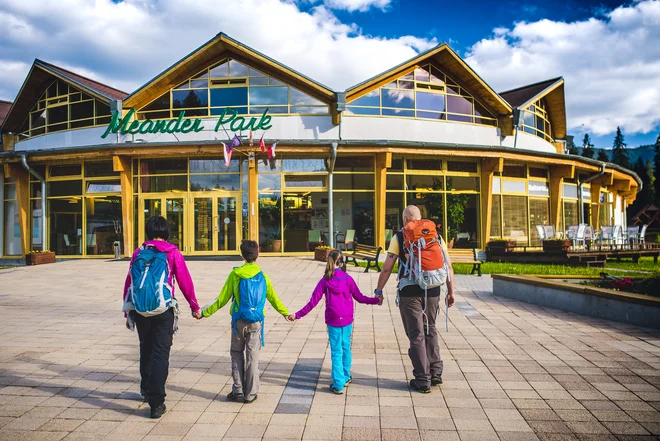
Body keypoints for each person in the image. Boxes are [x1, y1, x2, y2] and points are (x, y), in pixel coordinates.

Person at [122, 215, 201, 419]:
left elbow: (129, 282)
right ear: (166, 232)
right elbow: (184, 281)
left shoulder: (138, 252)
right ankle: (156, 403)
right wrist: (194, 306)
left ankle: (146, 389)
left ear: (148, 232)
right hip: (164, 310)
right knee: (160, 353)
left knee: (145, 348)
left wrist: (127, 310)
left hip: (140, 310)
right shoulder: (172, 252)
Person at [374, 205, 455, 394]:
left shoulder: (400, 236)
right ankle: (435, 373)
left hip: (409, 291)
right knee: (430, 329)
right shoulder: (436, 235)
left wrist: (378, 291)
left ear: (404, 219)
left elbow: (387, 268)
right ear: (420, 217)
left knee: (416, 334)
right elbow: (448, 266)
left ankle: (422, 380)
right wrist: (451, 292)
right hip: (433, 289)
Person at [196, 240, 289, 404]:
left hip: (239, 320)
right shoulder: (263, 276)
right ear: (257, 255)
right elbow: (274, 298)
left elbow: (222, 299)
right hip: (256, 322)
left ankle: (238, 390)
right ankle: (250, 393)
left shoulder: (235, 275)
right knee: (252, 357)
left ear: (242, 255)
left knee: (237, 353)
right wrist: (286, 313)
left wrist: (203, 313)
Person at [287, 250, 381, 394]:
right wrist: (376, 300)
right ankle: (346, 376)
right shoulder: (348, 279)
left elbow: (312, 302)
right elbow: (360, 297)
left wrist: (297, 315)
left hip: (333, 320)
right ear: (342, 263)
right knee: (346, 348)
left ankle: (338, 384)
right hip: (347, 319)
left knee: (336, 352)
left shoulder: (325, 280)